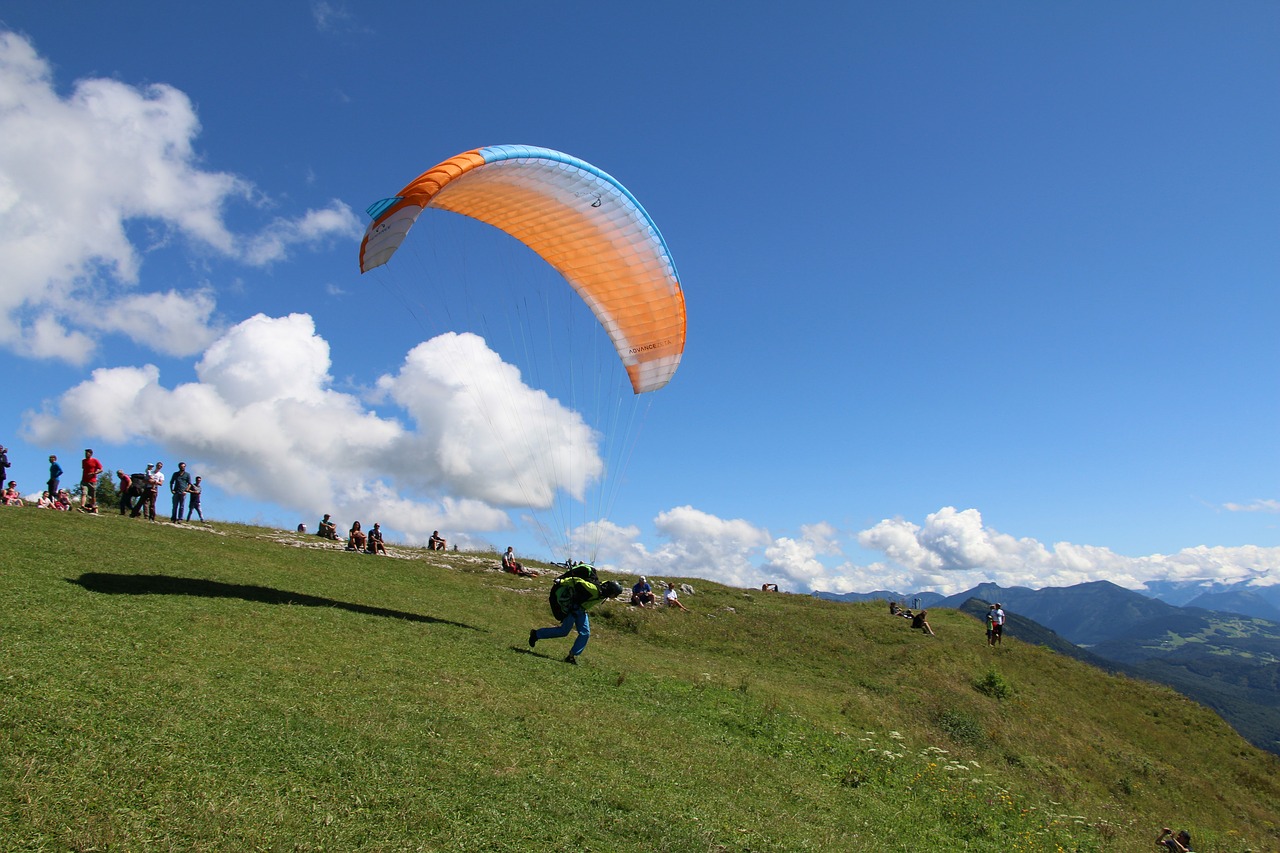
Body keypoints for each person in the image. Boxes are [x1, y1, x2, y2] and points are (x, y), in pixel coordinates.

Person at [528, 575, 624, 664]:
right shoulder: (594, 589)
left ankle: (571, 656)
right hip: (573, 609)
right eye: (615, 594)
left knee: (585, 633)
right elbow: (578, 581)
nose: (615, 597)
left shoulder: (603, 592)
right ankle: (536, 634)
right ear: (611, 591)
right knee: (563, 631)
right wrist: (562, 581)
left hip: (581, 611)